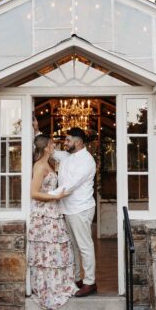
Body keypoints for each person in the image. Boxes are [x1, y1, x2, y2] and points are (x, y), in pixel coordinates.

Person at [28, 134, 76, 310]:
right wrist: (56, 195)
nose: (54, 146)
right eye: (52, 144)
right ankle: (47, 288)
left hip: (53, 212)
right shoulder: (39, 166)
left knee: (57, 249)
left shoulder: (50, 163)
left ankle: (59, 284)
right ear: (46, 147)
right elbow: (33, 193)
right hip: (44, 215)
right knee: (46, 251)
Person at [54, 126, 98, 297]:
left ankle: (90, 282)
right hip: (68, 209)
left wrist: (45, 196)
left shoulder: (87, 161)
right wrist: (35, 132)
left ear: (78, 142)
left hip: (81, 208)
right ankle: (78, 279)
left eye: (68, 140)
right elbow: (49, 151)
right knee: (73, 246)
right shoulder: (67, 156)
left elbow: (70, 186)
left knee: (85, 246)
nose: (65, 143)